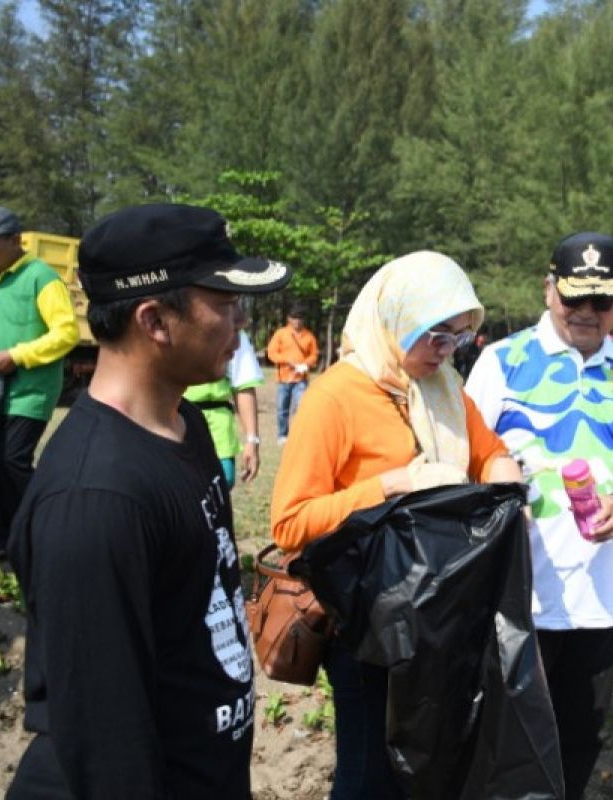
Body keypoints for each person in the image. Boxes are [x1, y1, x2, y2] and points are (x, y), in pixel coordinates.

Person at [6, 203, 291, 797]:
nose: (242, 324)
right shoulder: (95, 500)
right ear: (156, 321)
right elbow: (108, 745)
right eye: (226, 303)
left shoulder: (183, 426)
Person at [270, 251, 523, 800]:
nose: (447, 349)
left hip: (438, 622)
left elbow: (491, 453)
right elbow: (290, 522)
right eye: (436, 333)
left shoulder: (446, 390)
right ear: (392, 322)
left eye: (459, 335)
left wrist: (507, 485)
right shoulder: (335, 396)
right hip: (365, 626)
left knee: (428, 769)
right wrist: (388, 486)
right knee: (367, 776)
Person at [465, 232, 613, 799]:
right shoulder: (500, 362)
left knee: (579, 738)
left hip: (601, 594)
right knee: (506, 740)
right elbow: (465, 464)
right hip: (516, 588)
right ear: (549, 288)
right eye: (572, 298)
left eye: (600, 302)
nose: (585, 313)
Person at [0, 205, 79, 561]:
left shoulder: (41, 277)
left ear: (15, 240)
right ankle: (2, 545)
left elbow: (66, 333)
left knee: (12, 461)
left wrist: (16, 356)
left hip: (29, 392)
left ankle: (47, 528)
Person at [184, 328, 264, 487]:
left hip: (218, 428)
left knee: (222, 483)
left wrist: (252, 440)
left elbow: (243, 384)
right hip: (172, 421)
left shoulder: (232, 329)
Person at [266, 304, 318, 443]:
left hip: (301, 379)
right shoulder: (281, 333)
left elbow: (314, 355)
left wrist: (305, 365)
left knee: (301, 408)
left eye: (300, 318)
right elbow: (271, 353)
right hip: (283, 378)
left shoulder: (309, 336)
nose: (297, 321)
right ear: (289, 319)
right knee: (282, 408)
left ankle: (298, 435)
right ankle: (283, 435)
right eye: (294, 318)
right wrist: (285, 361)